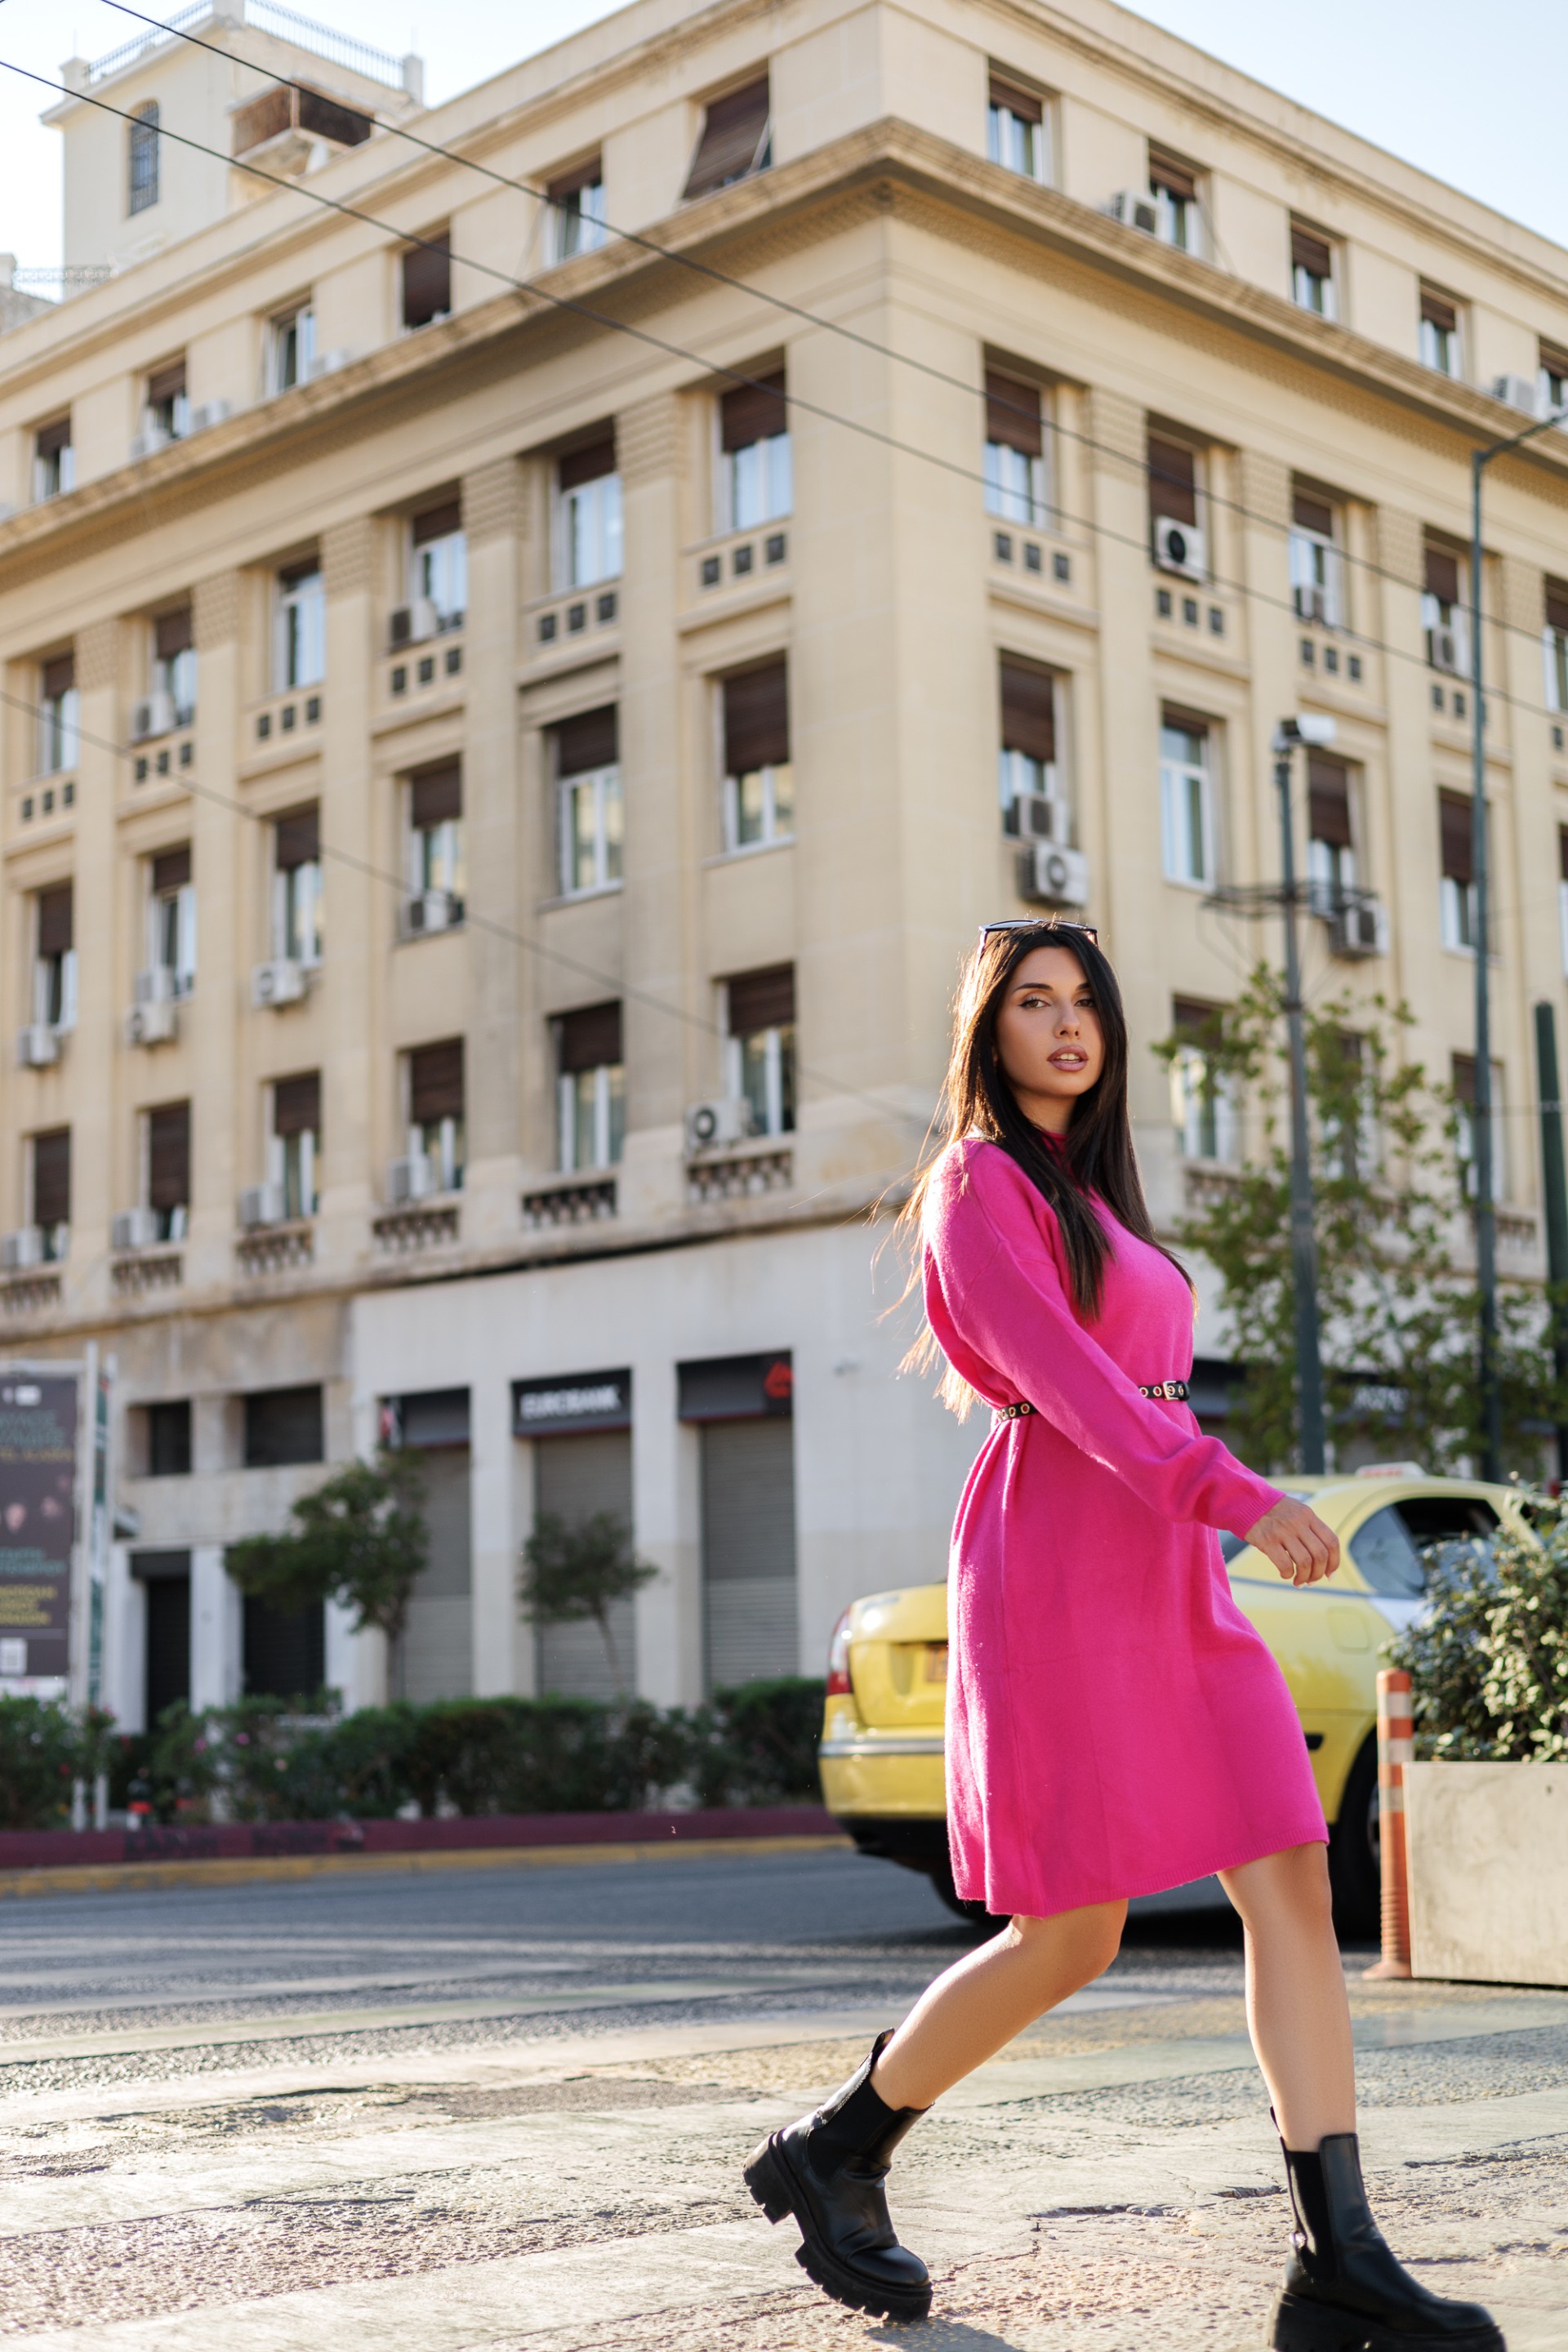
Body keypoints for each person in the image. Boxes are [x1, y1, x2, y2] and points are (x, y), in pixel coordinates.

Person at [745, 920, 1503, 2352]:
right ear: (990, 1031)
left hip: (1166, 1573)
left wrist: (1205, 1497)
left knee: (1287, 1878)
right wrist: (1229, 1491)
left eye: (1086, 1001)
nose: (1069, 1025)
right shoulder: (973, 1183)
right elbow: (1076, 1390)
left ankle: (1335, 2259)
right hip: (1061, 1562)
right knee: (1072, 1933)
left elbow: (1142, 1393)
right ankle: (841, 2147)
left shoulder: (1093, 1196)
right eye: (1035, 1003)